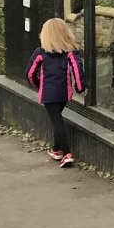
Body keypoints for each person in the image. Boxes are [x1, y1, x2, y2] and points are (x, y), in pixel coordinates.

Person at [25, 18, 86, 168]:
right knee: (57, 119)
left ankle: (67, 153)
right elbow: (77, 69)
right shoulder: (70, 52)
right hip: (64, 93)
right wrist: (80, 88)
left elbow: (30, 73)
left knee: (57, 121)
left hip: (48, 93)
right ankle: (56, 149)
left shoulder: (40, 52)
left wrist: (38, 86)